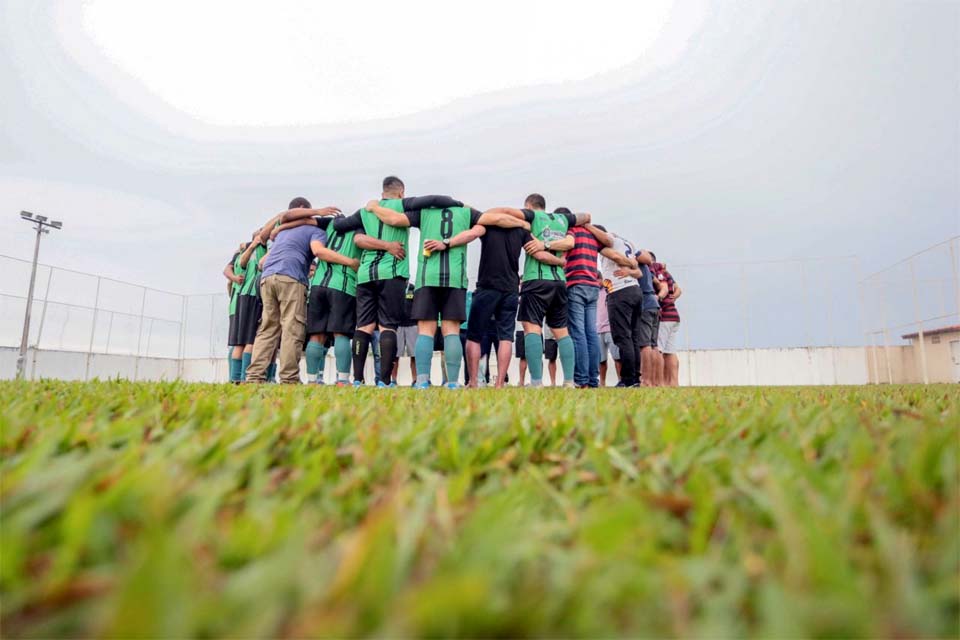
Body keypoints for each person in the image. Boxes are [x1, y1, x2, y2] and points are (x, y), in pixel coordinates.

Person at [363, 200, 527, 388]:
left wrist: (374, 207)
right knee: (451, 332)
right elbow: (495, 219)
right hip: (455, 279)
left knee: (425, 330)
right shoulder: (466, 213)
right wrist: (522, 223)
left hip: (427, 277)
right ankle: (452, 382)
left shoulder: (424, 212)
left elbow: (393, 219)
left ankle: (423, 381)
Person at [334, 177, 461, 387]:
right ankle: (384, 380)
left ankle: (356, 379)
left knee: (363, 326)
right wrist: (455, 203)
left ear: (382, 191)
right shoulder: (403, 205)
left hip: (365, 274)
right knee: (387, 327)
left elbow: (339, 225)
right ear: (401, 192)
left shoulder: (364, 212)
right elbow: (435, 199)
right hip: (393, 273)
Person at [483, 194, 590, 387]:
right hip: (559, 281)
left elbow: (506, 212)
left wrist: (486, 215)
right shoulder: (563, 219)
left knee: (531, 328)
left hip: (536, 280)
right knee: (562, 332)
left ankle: (536, 382)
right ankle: (569, 382)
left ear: (529, 206)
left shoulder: (532, 217)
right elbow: (586, 216)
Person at [245, 198, 342, 384]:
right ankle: (289, 378)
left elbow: (261, 262)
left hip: (267, 277)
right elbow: (318, 251)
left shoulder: (282, 233)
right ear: (305, 210)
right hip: (291, 277)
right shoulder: (315, 230)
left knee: (267, 329)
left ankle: (254, 376)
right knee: (292, 328)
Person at [271, 212, 363, 386]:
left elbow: (303, 220)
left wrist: (280, 228)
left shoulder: (327, 226)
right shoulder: (359, 228)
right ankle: (342, 379)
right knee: (341, 334)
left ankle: (312, 380)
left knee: (316, 336)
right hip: (342, 285)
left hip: (318, 285)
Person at [464, 210, 538, 388]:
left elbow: (473, 233)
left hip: (487, 287)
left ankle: (473, 382)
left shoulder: (486, 225)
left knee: (474, 336)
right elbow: (538, 250)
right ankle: (499, 384)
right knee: (506, 337)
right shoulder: (522, 230)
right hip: (511, 288)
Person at [597, 229, 653, 388]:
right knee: (633, 337)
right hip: (635, 291)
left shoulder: (609, 245)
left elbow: (615, 256)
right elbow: (638, 273)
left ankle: (628, 379)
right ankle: (635, 378)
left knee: (623, 337)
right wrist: (631, 267)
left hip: (619, 292)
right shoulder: (627, 242)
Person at [561, 208, 610, 388]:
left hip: (576, 284)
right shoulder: (592, 236)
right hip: (593, 286)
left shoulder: (571, 232)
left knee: (577, 333)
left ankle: (581, 379)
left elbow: (564, 257)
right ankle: (593, 379)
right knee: (591, 333)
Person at [234, 232, 269, 381]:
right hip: (254, 295)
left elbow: (240, 265)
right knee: (251, 340)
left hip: (241, 296)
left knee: (240, 341)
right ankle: (245, 377)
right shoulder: (262, 250)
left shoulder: (245, 251)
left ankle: (235, 378)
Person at [651, 255, 682, 387]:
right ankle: (674, 382)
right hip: (674, 315)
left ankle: (661, 382)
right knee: (670, 351)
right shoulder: (666, 272)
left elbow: (662, 289)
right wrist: (675, 296)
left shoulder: (655, 272)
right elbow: (678, 289)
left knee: (659, 350)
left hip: (664, 316)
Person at [637, 258, 663, 387]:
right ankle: (656, 381)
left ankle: (646, 381)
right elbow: (659, 284)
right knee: (654, 345)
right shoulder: (648, 269)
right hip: (655, 305)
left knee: (645, 345)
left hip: (645, 305)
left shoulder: (636, 266)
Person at [224, 243, 246, 382]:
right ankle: (236, 377)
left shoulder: (237, 258)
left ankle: (233, 377)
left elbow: (227, 275)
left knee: (235, 342)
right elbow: (227, 271)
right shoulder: (242, 257)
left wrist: (233, 279)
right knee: (240, 342)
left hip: (235, 304)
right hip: (241, 303)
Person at [394, 282, 418, 385]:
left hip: (412, 325)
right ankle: (393, 380)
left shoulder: (413, 288)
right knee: (394, 356)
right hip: (397, 325)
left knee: (414, 355)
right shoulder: (394, 288)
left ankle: (415, 380)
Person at [596, 287, 621, 386]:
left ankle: (620, 380)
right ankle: (602, 382)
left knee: (617, 357)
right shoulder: (593, 292)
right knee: (601, 360)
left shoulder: (610, 291)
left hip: (611, 329)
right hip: (598, 330)